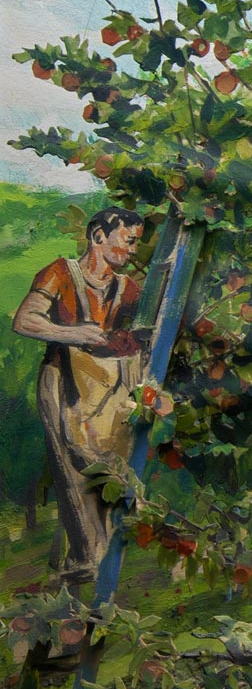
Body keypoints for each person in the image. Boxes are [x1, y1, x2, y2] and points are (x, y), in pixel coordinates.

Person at [11, 208, 146, 597]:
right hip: (64, 385)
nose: (132, 249)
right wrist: (73, 334)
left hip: (106, 396)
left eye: (136, 241)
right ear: (98, 237)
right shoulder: (60, 273)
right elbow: (25, 321)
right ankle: (89, 570)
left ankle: (78, 573)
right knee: (72, 473)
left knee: (108, 474)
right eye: (129, 239)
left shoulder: (129, 289)